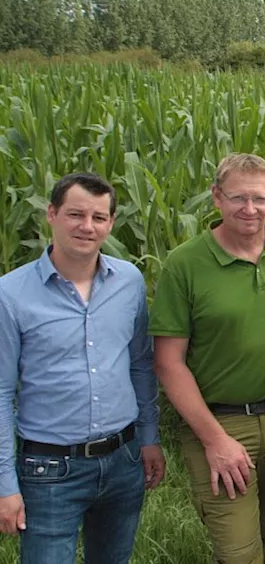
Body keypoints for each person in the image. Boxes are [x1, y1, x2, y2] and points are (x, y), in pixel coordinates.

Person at [150, 153, 265, 564]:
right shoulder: (186, 263)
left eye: (260, 199)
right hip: (219, 423)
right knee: (237, 553)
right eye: (238, 198)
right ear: (216, 198)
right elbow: (168, 362)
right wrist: (215, 440)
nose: (249, 209)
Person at [0, 173, 164, 563]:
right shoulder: (10, 294)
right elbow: (2, 392)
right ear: (51, 215)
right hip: (50, 469)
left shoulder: (129, 281)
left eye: (99, 218)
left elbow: (141, 365)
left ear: (110, 223)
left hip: (123, 459)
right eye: (75, 214)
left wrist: (149, 438)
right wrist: (5, 483)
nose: (87, 227)